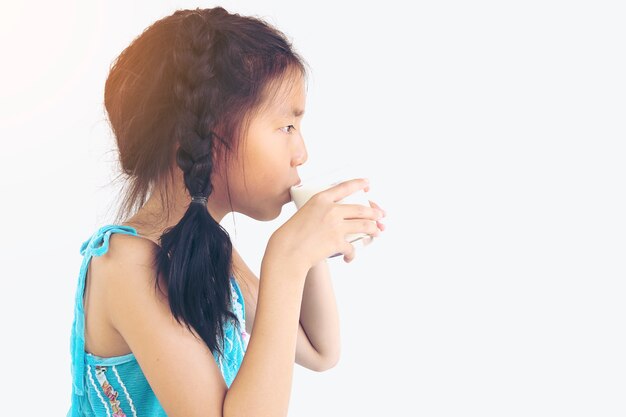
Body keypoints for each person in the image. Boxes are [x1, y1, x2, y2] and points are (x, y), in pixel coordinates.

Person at [67, 6, 386, 417]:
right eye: (287, 127)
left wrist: (307, 246)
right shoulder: (128, 264)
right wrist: (286, 259)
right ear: (209, 134)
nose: (301, 152)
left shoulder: (208, 249)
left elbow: (319, 349)